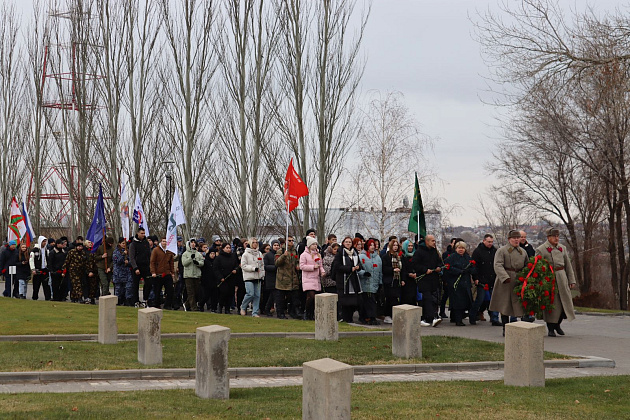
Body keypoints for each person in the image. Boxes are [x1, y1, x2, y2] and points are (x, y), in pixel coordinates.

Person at [536, 227, 577, 337]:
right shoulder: (541, 249)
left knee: (564, 304)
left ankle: (558, 324)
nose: (556, 238)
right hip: (549, 279)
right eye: (554, 236)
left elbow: (568, 265)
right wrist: (541, 282)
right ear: (548, 237)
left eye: (558, 236)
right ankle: (550, 328)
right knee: (552, 305)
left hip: (562, 277)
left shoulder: (562, 248)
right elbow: (537, 267)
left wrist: (571, 280)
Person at [489, 229, 529, 335]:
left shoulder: (523, 252)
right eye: (514, 238)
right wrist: (504, 277)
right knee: (504, 305)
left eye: (518, 238)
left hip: (518, 280)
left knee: (516, 305)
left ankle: (515, 326)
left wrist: (526, 277)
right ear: (509, 239)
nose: (516, 240)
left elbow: (527, 265)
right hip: (505, 281)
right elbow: (497, 264)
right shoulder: (502, 251)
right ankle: (505, 328)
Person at [413, 235, 443, 327]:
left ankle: (427, 317)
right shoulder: (419, 252)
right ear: (427, 241)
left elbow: (439, 262)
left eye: (435, 241)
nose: (434, 242)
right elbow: (415, 264)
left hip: (433, 279)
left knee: (433, 299)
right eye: (432, 241)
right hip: (424, 279)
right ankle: (434, 316)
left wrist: (438, 267)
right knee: (428, 298)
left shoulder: (434, 251)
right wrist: (425, 270)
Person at [443, 241, 476, 326]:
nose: (461, 250)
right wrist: (459, 271)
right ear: (456, 248)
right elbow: (448, 268)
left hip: (465, 282)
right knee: (457, 302)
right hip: (455, 283)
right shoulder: (451, 258)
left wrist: (470, 270)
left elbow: (472, 269)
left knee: (466, 301)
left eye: (463, 248)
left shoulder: (467, 258)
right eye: (459, 248)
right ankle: (458, 320)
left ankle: (466, 317)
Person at [471, 234, 501, 326]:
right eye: (488, 242)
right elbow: (474, 266)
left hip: (493, 279)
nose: (490, 244)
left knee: (493, 300)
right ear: (484, 241)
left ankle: (494, 318)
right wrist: (475, 278)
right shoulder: (478, 251)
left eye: (492, 242)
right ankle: (473, 316)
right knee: (480, 299)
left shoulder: (495, 251)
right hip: (482, 280)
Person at [334, 236, 363, 323]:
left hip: (353, 280)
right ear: (343, 243)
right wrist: (350, 268)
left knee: (353, 300)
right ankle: (345, 317)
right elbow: (337, 266)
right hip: (343, 280)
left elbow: (360, 264)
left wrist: (358, 267)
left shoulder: (354, 252)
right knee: (345, 300)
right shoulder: (340, 253)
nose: (348, 244)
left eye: (349, 242)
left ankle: (350, 318)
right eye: (346, 242)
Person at [300, 236, 325, 321]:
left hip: (316, 279)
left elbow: (320, 265)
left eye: (316, 244)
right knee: (311, 297)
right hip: (308, 279)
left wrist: (322, 272)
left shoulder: (318, 255)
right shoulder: (304, 255)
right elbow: (302, 266)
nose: (315, 246)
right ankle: (306, 312)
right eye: (313, 244)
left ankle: (311, 313)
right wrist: (313, 267)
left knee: (315, 298)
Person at [275, 235, 300, 319]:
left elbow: (296, 260)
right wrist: (283, 256)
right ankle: (280, 313)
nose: (291, 242)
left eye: (292, 241)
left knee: (294, 297)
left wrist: (297, 264)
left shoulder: (294, 251)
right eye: (289, 240)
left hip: (293, 278)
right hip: (282, 278)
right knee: (281, 298)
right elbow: (277, 263)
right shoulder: (280, 251)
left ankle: (293, 312)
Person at [358, 239, 382, 325]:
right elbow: (358, 269)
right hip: (366, 283)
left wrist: (380, 282)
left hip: (375, 283)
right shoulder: (361, 256)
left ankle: (369, 317)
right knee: (369, 301)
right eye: (371, 245)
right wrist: (363, 273)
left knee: (373, 300)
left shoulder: (377, 257)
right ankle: (370, 317)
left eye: (373, 245)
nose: (373, 246)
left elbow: (380, 271)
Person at [240, 237, 265, 317]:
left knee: (257, 295)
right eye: (254, 242)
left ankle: (255, 312)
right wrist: (253, 268)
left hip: (258, 277)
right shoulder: (245, 254)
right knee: (250, 293)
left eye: (256, 242)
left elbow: (262, 265)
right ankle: (243, 307)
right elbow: (243, 266)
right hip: (248, 277)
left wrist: (262, 274)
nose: (255, 244)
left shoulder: (259, 253)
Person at [150, 237, 176, 310]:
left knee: (170, 290)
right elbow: (152, 262)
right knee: (157, 290)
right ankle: (157, 304)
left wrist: (172, 272)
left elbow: (171, 262)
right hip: (158, 274)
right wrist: (153, 272)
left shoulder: (169, 251)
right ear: (161, 242)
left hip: (167, 273)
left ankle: (167, 305)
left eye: (166, 241)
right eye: (163, 241)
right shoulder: (156, 250)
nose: (165, 243)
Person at [129, 228, 152, 307]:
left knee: (148, 283)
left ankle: (145, 299)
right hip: (137, 267)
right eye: (141, 233)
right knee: (135, 285)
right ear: (138, 233)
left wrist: (150, 265)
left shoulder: (146, 243)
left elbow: (149, 255)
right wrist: (135, 268)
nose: (143, 235)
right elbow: (131, 257)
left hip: (146, 267)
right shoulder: (133, 244)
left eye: (144, 233)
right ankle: (136, 301)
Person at [381, 239, 402, 324]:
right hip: (389, 280)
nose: (395, 247)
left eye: (397, 245)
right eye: (394, 245)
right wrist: (393, 269)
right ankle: (387, 315)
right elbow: (384, 268)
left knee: (395, 298)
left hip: (397, 280)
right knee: (390, 298)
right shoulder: (386, 257)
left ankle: (393, 315)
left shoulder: (399, 256)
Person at [214, 242, 239, 314]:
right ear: (223, 248)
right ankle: (220, 307)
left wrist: (235, 270)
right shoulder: (219, 258)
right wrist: (220, 277)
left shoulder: (232, 257)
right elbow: (216, 269)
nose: (228, 249)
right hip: (223, 279)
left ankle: (227, 309)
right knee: (223, 293)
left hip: (231, 278)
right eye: (227, 248)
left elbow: (236, 266)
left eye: (229, 248)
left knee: (230, 294)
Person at [182, 239, 204, 311]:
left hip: (196, 275)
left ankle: (186, 304)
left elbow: (202, 262)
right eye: (192, 243)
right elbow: (184, 263)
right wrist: (190, 259)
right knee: (190, 292)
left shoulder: (198, 254)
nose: (193, 244)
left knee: (196, 292)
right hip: (188, 275)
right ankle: (193, 308)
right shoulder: (185, 254)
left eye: (194, 243)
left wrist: (197, 263)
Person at [262, 240, 280, 316]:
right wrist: (275, 267)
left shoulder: (280, 254)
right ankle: (269, 309)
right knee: (274, 295)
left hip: (279, 278)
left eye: (277, 245)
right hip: (271, 278)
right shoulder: (268, 255)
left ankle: (267, 309)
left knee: (273, 296)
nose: (276, 247)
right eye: (275, 245)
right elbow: (265, 266)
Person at [29, 236, 50, 301]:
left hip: (44, 270)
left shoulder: (46, 250)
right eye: (43, 241)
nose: (44, 243)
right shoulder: (35, 250)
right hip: (37, 270)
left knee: (46, 285)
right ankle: (35, 297)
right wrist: (33, 269)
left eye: (45, 241)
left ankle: (48, 297)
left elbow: (48, 259)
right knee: (36, 285)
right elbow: (31, 260)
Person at [112, 237, 132, 306]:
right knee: (118, 290)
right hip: (118, 274)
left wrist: (128, 262)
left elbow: (131, 261)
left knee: (127, 288)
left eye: (125, 243)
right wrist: (123, 254)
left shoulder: (128, 251)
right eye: (123, 243)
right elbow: (117, 261)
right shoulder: (116, 252)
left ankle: (126, 300)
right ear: (119, 244)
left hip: (126, 273)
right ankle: (117, 301)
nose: (124, 245)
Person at [200, 245, 218, 312]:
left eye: (214, 254)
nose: (213, 255)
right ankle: (201, 305)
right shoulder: (205, 261)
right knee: (206, 295)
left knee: (214, 296)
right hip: (206, 281)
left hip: (214, 281)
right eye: (211, 253)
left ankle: (214, 308)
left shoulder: (216, 262)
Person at [400, 240, 417, 305]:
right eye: (409, 246)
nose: (410, 247)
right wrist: (408, 274)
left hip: (413, 280)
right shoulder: (402, 256)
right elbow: (403, 268)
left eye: (412, 246)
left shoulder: (415, 256)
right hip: (406, 280)